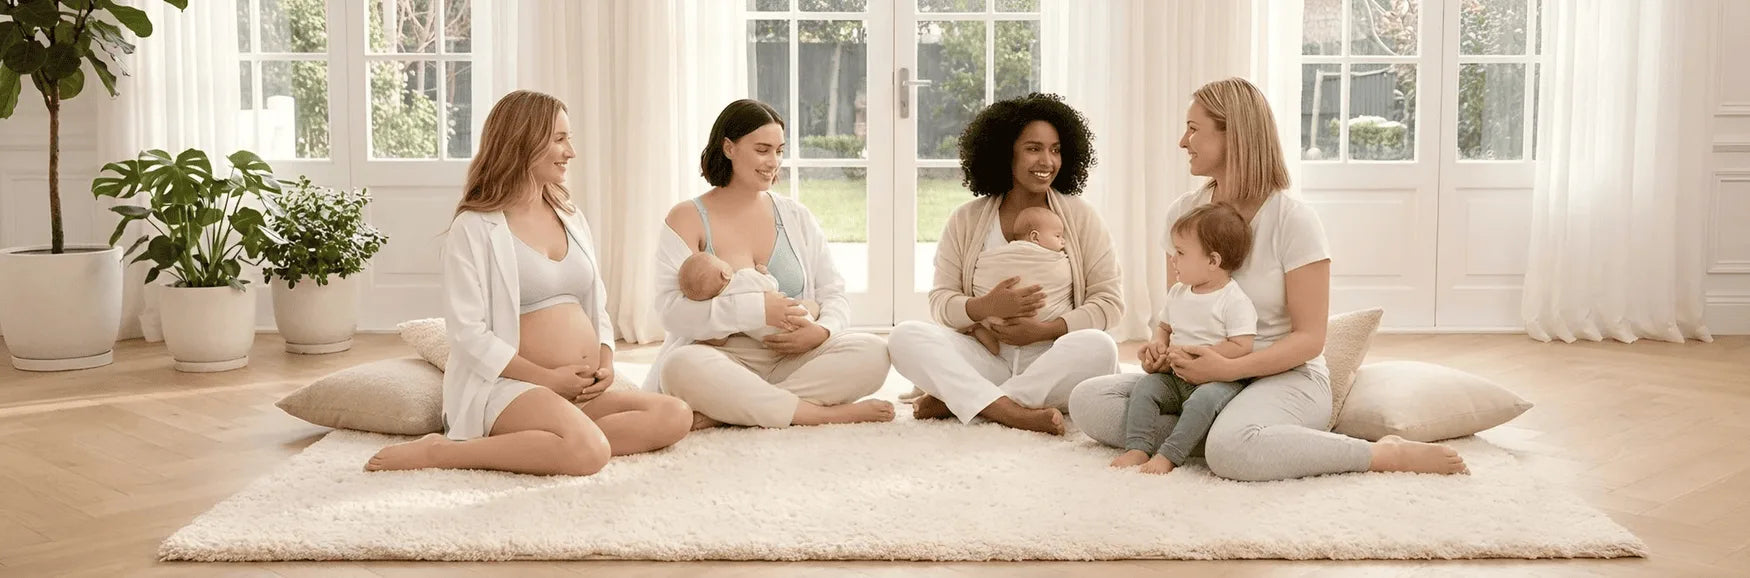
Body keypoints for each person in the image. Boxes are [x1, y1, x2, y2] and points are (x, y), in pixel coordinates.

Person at [1069, 78, 1468, 481]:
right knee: (1089, 400)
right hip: (1198, 381)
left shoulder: (1293, 221)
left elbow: (1309, 339)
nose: (1182, 141)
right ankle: (1244, 438)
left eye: (1193, 129)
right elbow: (1176, 313)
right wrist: (1160, 351)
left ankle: (1379, 454)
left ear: (1234, 136)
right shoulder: (1183, 214)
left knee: (1230, 450)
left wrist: (1227, 370)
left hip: (1284, 376)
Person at [368, 90, 691, 475]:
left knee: (675, 414)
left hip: (577, 391)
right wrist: (547, 379)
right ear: (523, 141)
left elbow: (597, 307)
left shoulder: (570, 216)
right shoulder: (474, 227)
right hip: (508, 387)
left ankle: (554, 441)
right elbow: (468, 333)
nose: (570, 151)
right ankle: (441, 452)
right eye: (559, 139)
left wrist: (605, 361)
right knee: (588, 452)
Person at [646, 99, 894, 429]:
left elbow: (833, 292)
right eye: (762, 150)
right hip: (724, 357)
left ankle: (731, 410)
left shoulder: (795, 216)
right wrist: (758, 311)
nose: (774, 162)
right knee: (679, 367)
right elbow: (672, 312)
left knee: (874, 353)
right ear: (729, 148)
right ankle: (818, 414)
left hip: (794, 356)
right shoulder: (687, 217)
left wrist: (822, 331)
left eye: (779, 151)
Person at [888, 93, 1122, 436]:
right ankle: (1012, 411)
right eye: (1033, 148)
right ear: (1004, 152)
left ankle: (966, 401)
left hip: (1052, 359)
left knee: (1100, 347)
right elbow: (941, 302)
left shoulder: (1081, 217)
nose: (1047, 161)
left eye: (1056, 150)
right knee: (904, 337)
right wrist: (986, 306)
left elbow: (1109, 303)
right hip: (987, 355)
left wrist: (1044, 331)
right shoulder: (966, 219)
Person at [1109, 203, 1255, 475]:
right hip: (1176, 376)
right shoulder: (1178, 292)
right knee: (1145, 388)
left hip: (1217, 381)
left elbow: (1242, 345)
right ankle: (1137, 446)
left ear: (1213, 261)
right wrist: (1158, 346)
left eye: (1180, 252)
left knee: (1202, 402)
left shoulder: (1233, 300)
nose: (1172, 259)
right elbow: (1164, 328)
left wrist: (1200, 355)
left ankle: (1170, 454)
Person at [965, 206, 1072, 355]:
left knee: (1100, 342)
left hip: (996, 322)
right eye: (1058, 236)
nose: (1063, 241)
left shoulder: (998, 254)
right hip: (1015, 316)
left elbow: (983, 267)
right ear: (1035, 237)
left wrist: (1046, 330)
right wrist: (987, 304)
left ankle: (983, 330)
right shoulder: (1051, 258)